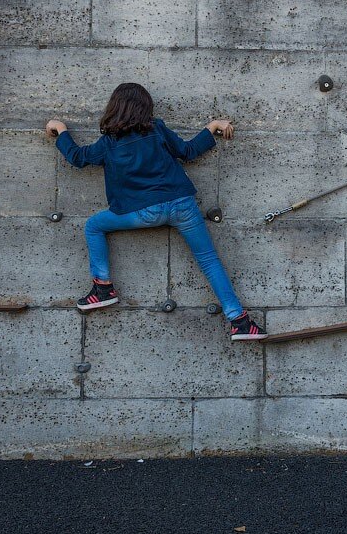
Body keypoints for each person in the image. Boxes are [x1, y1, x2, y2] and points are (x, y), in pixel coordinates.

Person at [46, 82, 267, 341]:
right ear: (145, 108)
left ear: (114, 108)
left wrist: (60, 129)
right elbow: (187, 151)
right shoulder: (157, 129)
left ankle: (103, 288)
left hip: (143, 213)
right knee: (209, 261)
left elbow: (78, 157)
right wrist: (212, 127)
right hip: (182, 204)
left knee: (94, 225)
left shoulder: (109, 143)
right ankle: (239, 321)